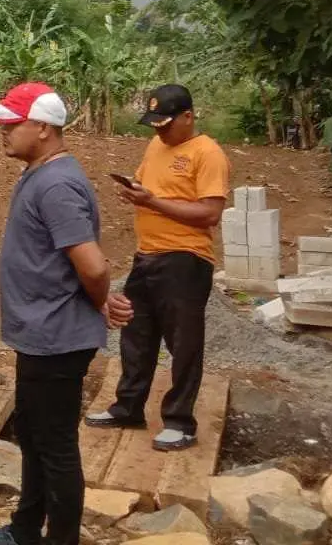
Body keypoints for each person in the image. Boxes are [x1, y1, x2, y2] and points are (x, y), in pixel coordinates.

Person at [0, 83, 132, 545]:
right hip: (41, 334)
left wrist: (100, 300)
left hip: (58, 336)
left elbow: (93, 265)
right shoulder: (40, 173)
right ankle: (23, 532)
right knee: (35, 437)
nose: (2, 132)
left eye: (11, 124)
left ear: (42, 128)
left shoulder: (57, 185)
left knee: (55, 447)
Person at [85, 84, 228, 452]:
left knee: (183, 343)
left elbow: (210, 213)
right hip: (146, 255)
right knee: (136, 334)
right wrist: (135, 193)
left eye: (165, 124)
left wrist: (154, 202)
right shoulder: (155, 146)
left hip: (185, 259)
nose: (159, 131)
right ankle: (128, 407)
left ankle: (180, 422)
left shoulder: (206, 153)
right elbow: (150, 189)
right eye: (154, 124)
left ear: (188, 117)